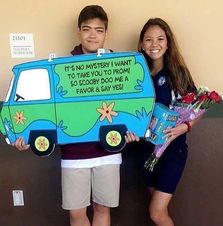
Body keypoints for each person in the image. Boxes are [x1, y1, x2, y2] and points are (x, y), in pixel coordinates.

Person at [13, 5, 138, 226]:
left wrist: (133, 130)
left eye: (99, 30)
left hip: (107, 151)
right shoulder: (64, 67)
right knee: (76, 213)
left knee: (102, 208)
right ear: (78, 31)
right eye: (87, 29)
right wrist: (24, 137)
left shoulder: (118, 65)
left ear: (106, 33)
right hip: (73, 154)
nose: (93, 35)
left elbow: (129, 104)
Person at [137, 18, 198, 226]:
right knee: (159, 210)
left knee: (156, 212)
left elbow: (196, 109)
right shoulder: (138, 74)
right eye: (149, 40)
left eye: (160, 39)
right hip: (145, 151)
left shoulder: (178, 73)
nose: (154, 45)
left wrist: (185, 127)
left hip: (173, 150)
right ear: (142, 45)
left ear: (168, 42)